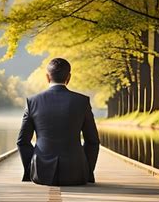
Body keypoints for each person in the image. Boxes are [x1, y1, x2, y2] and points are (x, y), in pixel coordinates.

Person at [16, 58, 100, 186]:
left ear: (47, 77)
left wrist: (30, 170)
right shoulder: (82, 101)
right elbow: (92, 141)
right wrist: (87, 172)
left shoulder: (32, 102)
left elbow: (22, 142)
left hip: (41, 174)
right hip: (76, 174)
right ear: (69, 77)